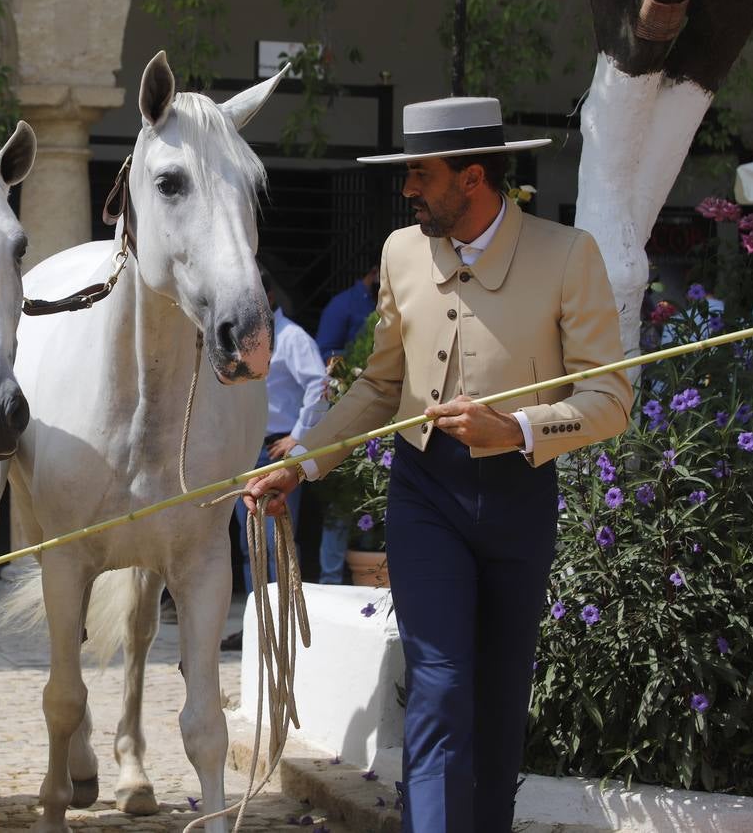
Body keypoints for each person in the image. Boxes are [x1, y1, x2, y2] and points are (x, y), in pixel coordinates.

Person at [244, 96, 633, 832]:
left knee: (498, 691)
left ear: (474, 177)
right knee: (440, 683)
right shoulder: (399, 253)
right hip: (425, 493)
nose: (407, 189)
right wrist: (305, 463)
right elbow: (380, 384)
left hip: (521, 494)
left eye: (420, 174)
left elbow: (610, 396)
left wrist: (515, 426)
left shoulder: (567, 256)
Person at [221, 267, 327, 650]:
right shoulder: (241, 338)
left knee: (277, 539)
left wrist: (299, 435)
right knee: (250, 544)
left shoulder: (293, 337)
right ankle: (256, 622)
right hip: (245, 448)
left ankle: (283, 621)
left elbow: (319, 384)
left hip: (273, 446)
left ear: (268, 296)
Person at [314, 257, 380, 584]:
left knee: (375, 505)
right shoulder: (344, 305)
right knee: (339, 508)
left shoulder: (393, 302)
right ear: (373, 271)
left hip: (385, 418)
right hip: (348, 409)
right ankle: (330, 579)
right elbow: (324, 354)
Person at [316, 260, 379, 359]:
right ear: (375, 272)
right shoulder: (342, 304)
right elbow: (323, 355)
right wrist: (359, 356)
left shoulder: (395, 304)